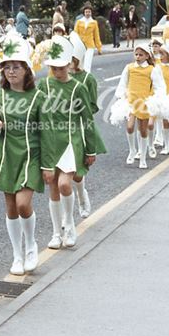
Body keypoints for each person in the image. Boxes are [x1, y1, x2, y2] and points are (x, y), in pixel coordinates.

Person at [37, 36, 98, 249]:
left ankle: (69, 225)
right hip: (49, 141)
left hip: (71, 140)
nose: (57, 71)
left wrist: (91, 149)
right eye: (53, 67)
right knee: (53, 187)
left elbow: (87, 120)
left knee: (64, 184)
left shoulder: (78, 87)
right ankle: (56, 233)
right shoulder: (43, 85)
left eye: (61, 67)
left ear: (69, 65)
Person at [0, 34, 44, 274]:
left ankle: (31, 244)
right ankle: (17, 254)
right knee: (10, 206)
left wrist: (49, 165)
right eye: (7, 67)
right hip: (6, 155)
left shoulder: (39, 97)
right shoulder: (0, 95)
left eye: (16, 67)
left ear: (26, 70)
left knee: (23, 204)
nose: (11, 72)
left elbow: (48, 133)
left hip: (31, 155)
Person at [68, 32, 106, 216]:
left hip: (80, 127)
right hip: (60, 129)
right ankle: (66, 217)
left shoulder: (87, 79)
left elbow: (91, 107)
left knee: (77, 171)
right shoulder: (54, 80)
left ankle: (82, 195)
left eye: (71, 59)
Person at [112, 43, 165, 170]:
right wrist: (121, 96)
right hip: (131, 102)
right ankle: (132, 150)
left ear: (147, 56)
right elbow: (123, 83)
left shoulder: (151, 70)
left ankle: (142, 157)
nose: (138, 57)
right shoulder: (129, 68)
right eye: (136, 54)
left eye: (141, 55)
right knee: (130, 127)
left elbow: (159, 86)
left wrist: (156, 99)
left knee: (143, 130)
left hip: (144, 103)